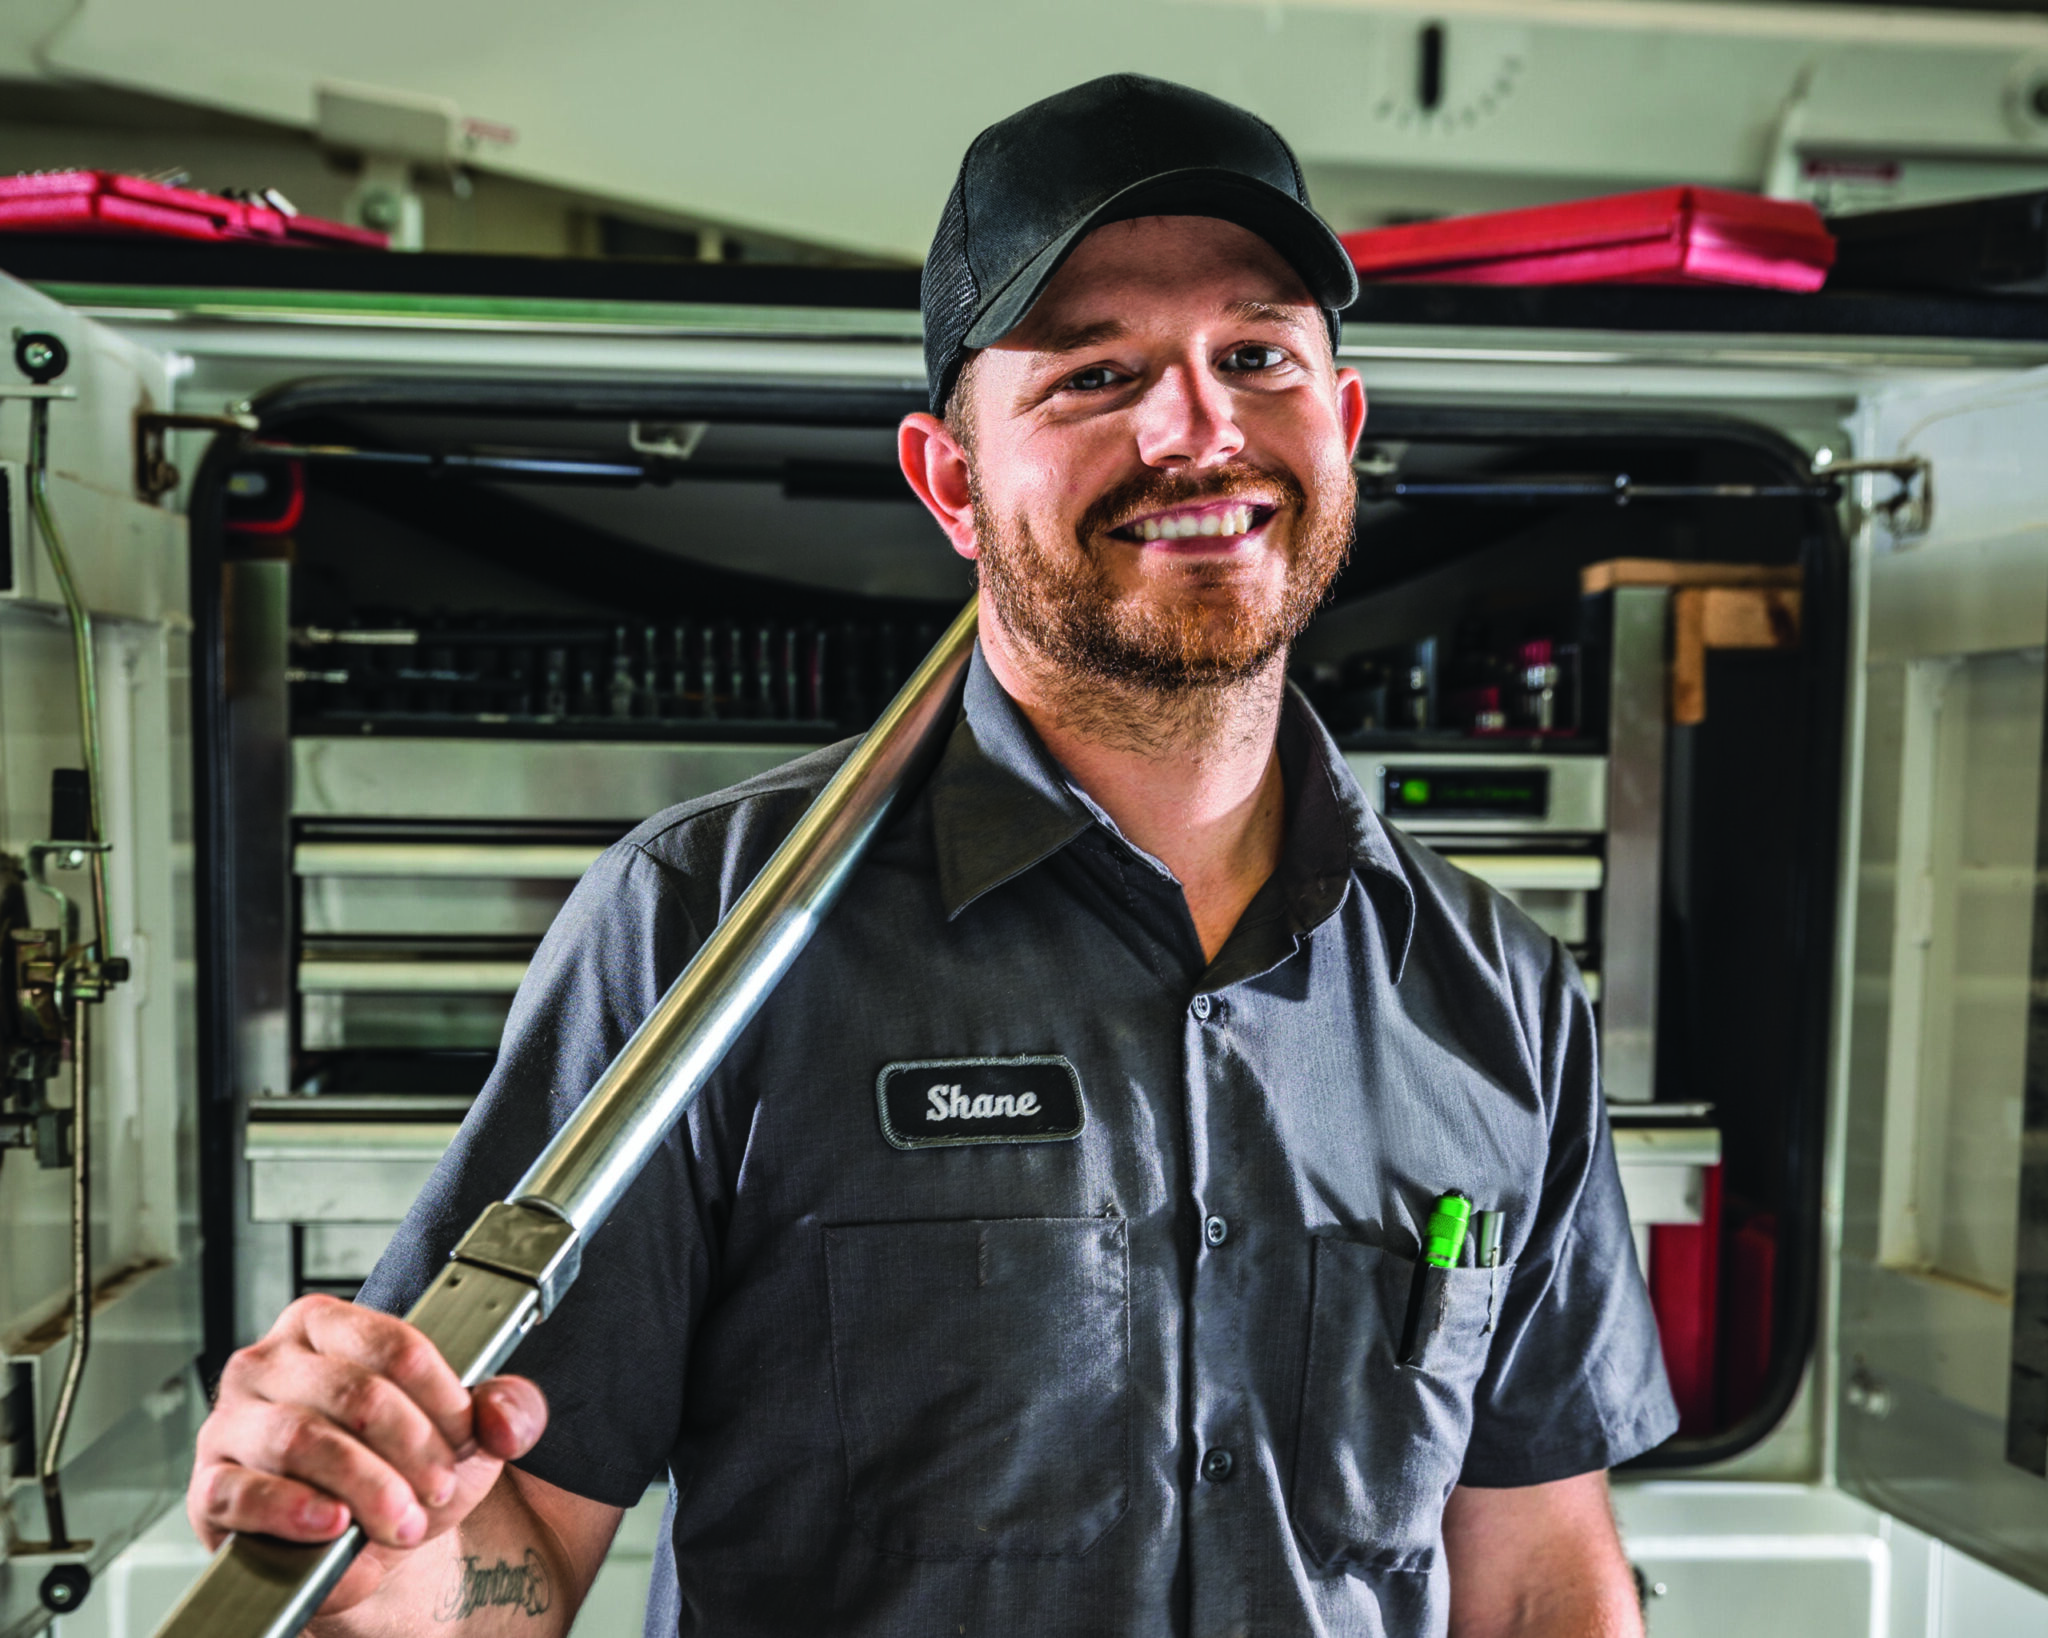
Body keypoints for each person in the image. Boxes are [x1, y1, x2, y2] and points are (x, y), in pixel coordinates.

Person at [187, 73, 1676, 1637]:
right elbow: (517, 1542)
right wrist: (375, 1543)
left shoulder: (1497, 992)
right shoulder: (705, 929)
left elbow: (1534, 1563)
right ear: (950, 479)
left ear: (1345, 422)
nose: (1199, 428)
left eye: (1255, 354)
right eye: (1096, 375)